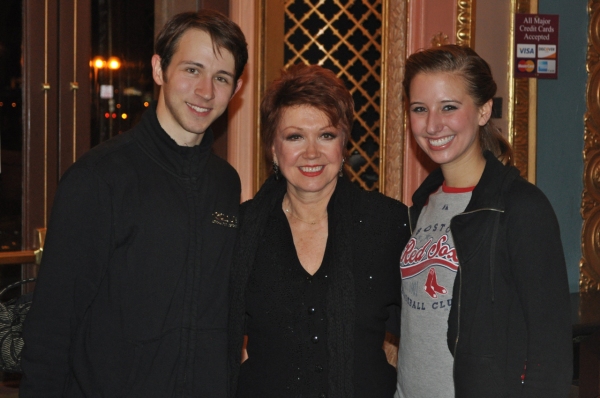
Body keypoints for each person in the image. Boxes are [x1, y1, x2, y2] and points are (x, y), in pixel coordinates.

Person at [20, 9, 248, 397]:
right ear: (159, 69)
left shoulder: (226, 183)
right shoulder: (99, 178)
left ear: (237, 87)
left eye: (221, 78)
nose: (206, 91)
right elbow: (52, 326)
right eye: (192, 70)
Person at [395, 44, 572, 398]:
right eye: (419, 109)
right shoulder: (419, 206)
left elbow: (550, 352)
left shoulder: (520, 207)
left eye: (449, 107)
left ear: (483, 110)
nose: (432, 124)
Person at [228, 64, 410, 397]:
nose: (311, 153)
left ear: (344, 145)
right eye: (294, 136)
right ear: (273, 147)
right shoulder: (238, 230)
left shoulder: (388, 224)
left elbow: (425, 335)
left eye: (326, 135)